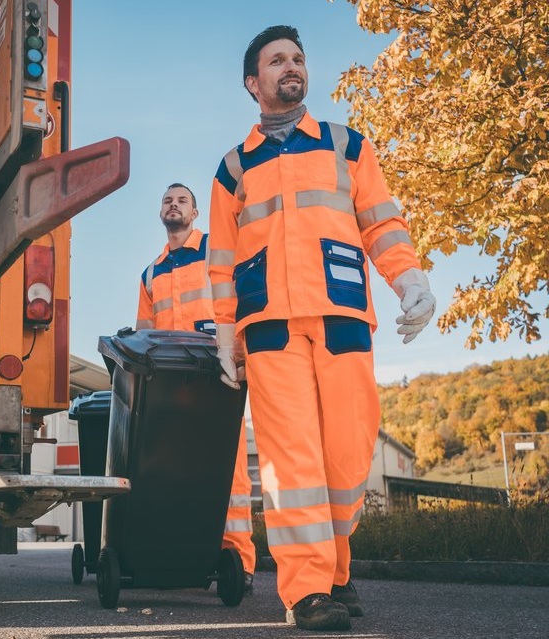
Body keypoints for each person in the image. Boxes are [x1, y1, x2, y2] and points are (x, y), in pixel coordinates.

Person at [207, 26, 436, 631]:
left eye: (298, 58)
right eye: (277, 60)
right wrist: (225, 337)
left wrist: (409, 279)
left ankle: (336, 570)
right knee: (291, 463)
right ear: (253, 83)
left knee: (348, 456)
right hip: (271, 331)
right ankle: (306, 592)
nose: (292, 67)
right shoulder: (233, 169)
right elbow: (221, 263)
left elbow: (382, 225)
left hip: (342, 321)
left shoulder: (347, 146)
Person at [136, 183, 256, 594]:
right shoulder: (151, 272)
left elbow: (241, 301)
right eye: (167, 200)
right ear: (160, 212)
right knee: (176, 468)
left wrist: (240, 355)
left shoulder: (217, 253)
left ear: (196, 212)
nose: (174, 205)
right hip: (171, 382)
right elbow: (143, 333)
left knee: (231, 469)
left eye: (181, 200)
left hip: (218, 371)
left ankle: (238, 559)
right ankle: (183, 555)